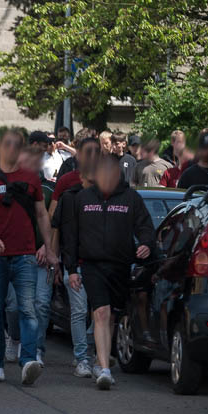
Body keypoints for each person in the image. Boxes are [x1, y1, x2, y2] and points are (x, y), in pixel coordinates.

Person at [61, 155, 155, 389]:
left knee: (111, 315)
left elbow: (145, 226)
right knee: (101, 312)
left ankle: (100, 360)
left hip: (120, 265)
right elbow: (70, 236)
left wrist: (146, 243)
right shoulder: (82, 198)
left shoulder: (131, 198)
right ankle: (104, 369)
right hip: (92, 265)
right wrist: (71, 269)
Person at [0, 129, 58, 386]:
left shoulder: (30, 178)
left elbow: (42, 215)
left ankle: (29, 360)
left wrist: (49, 248)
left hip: (25, 255)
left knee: (28, 309)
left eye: (15, 145)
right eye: (7, 144)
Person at [49, 137, 100, 377]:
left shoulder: (108, 191)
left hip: (100, 263)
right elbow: (57, 225)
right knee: (79, 311)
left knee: (100, 312)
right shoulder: (68, 190)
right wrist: (54, 258)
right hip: (75, 263)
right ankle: (82, 357)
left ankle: (93, 351)